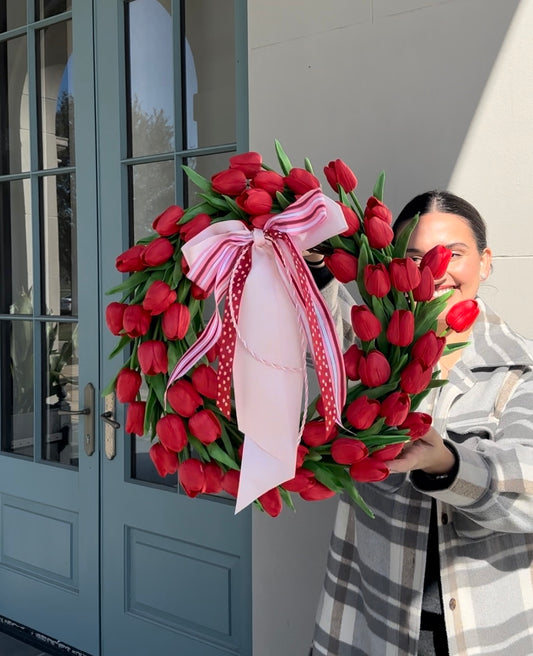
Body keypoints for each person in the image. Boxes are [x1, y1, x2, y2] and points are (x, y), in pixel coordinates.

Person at [308, 190, 533, 656]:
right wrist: (314, 266)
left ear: (485, 262)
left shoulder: (519, 368)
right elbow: (327, 337)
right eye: (414, 257)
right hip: (379, 617)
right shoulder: (376, 352)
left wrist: (448, 464)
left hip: (486, 628)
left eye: (453, 253)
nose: (435, 268)